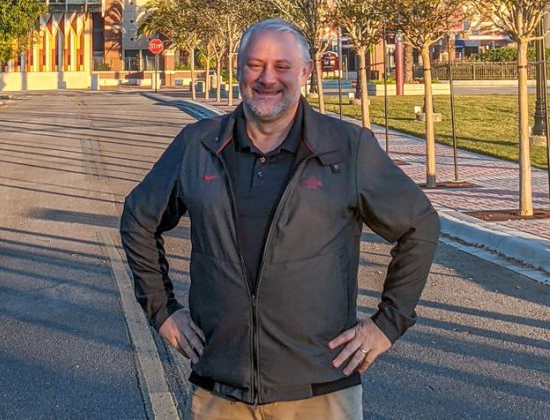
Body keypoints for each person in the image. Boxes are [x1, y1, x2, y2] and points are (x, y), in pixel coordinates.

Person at [120, 18, 440, 420]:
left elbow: (420, 226)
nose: (267, 78)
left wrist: (388, 325)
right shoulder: (197, 145)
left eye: (282, 67)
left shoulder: (346, 148)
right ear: (237, 69)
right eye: (255, 65)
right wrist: (162, 310)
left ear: (305, 72)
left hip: (320, 394)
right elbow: (138, 219)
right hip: (221, 391)